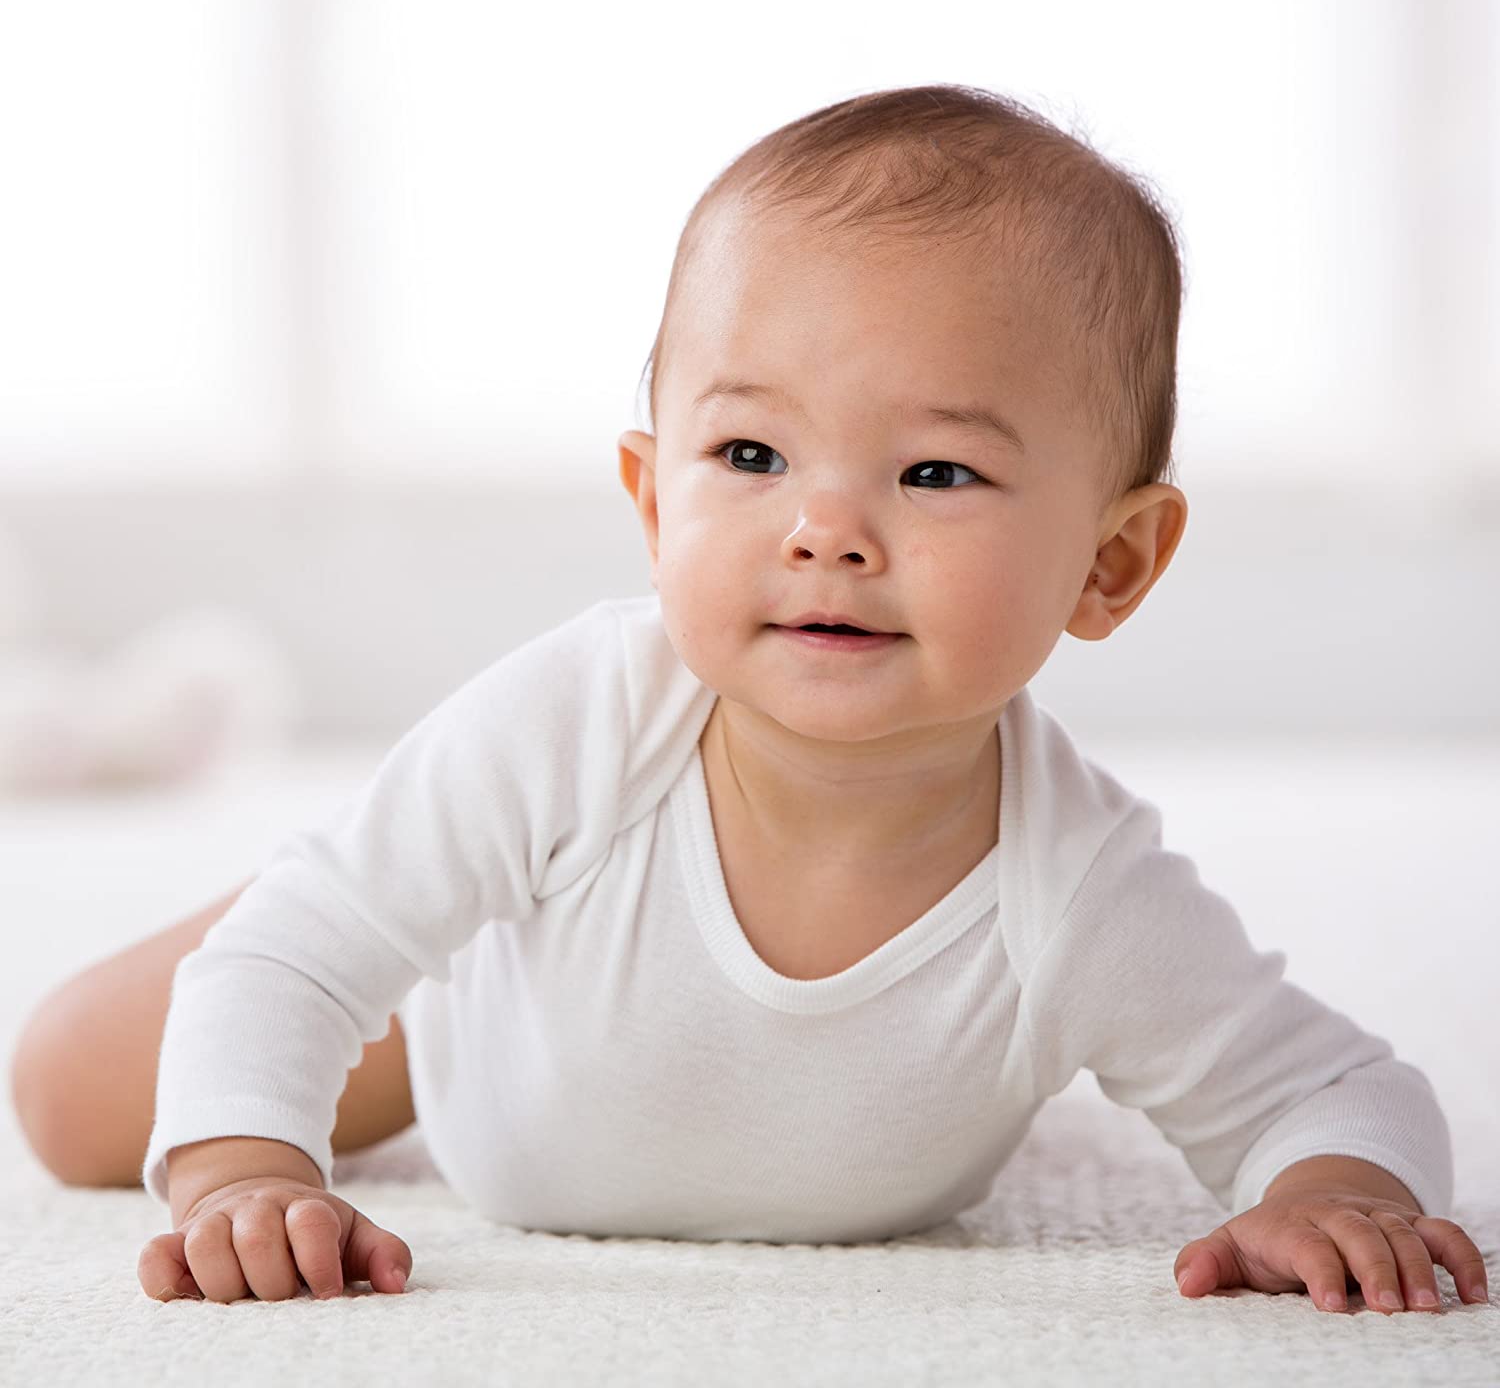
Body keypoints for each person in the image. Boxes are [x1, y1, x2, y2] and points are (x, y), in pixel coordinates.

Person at [11, 83, 1488, 1315]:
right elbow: (291, 959)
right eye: (752, 458)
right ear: (654, 503)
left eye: (935, 474)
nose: (826, 530)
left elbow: (1341, 1088)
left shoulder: (1081, 889)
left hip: (603, 1012)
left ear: (1111, 564)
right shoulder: (581, 717)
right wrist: (246, 1170)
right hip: (499, 1019)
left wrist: (1337, 1197)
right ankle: (418, 887)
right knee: (82, 1093)